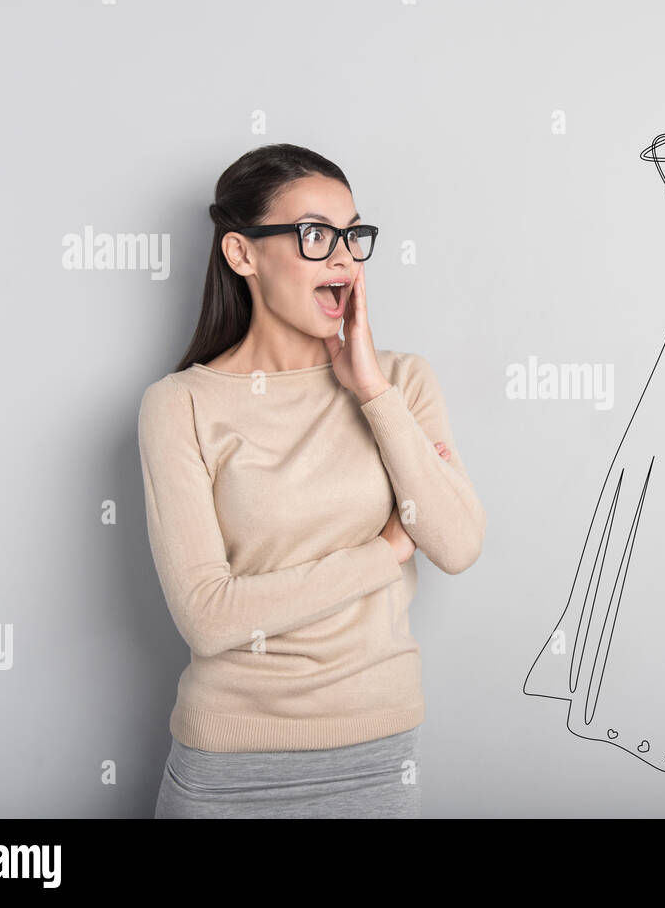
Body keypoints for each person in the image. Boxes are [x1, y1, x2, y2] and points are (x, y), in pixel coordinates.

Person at [138, 143, 486, 816]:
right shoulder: (179, 404)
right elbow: (209, 617)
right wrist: (383, 552)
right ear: (242, 254)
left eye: (353, 235)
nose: (344, 259)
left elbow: (457, 542)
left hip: (377, 754)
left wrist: (373, 393)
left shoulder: (403, 382)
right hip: (227, 765)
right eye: (314, 235)